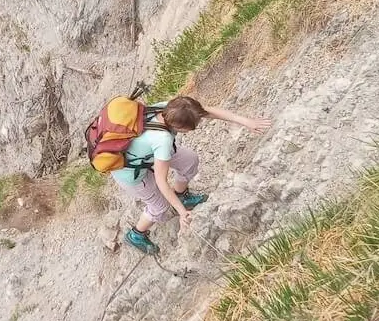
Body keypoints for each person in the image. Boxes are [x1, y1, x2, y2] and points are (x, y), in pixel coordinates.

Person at [111, 95, 271, 254]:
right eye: (192, 127)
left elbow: (207, 112)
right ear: (179, 127)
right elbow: (161, 181)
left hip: (143, 156)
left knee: (189, 160)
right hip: (131, 175)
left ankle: (181, 195)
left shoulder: (169, 108)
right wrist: (181, 212)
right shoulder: (162, 140)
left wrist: (246, 122)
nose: (198, 125)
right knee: (160, 206)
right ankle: (136, 234)